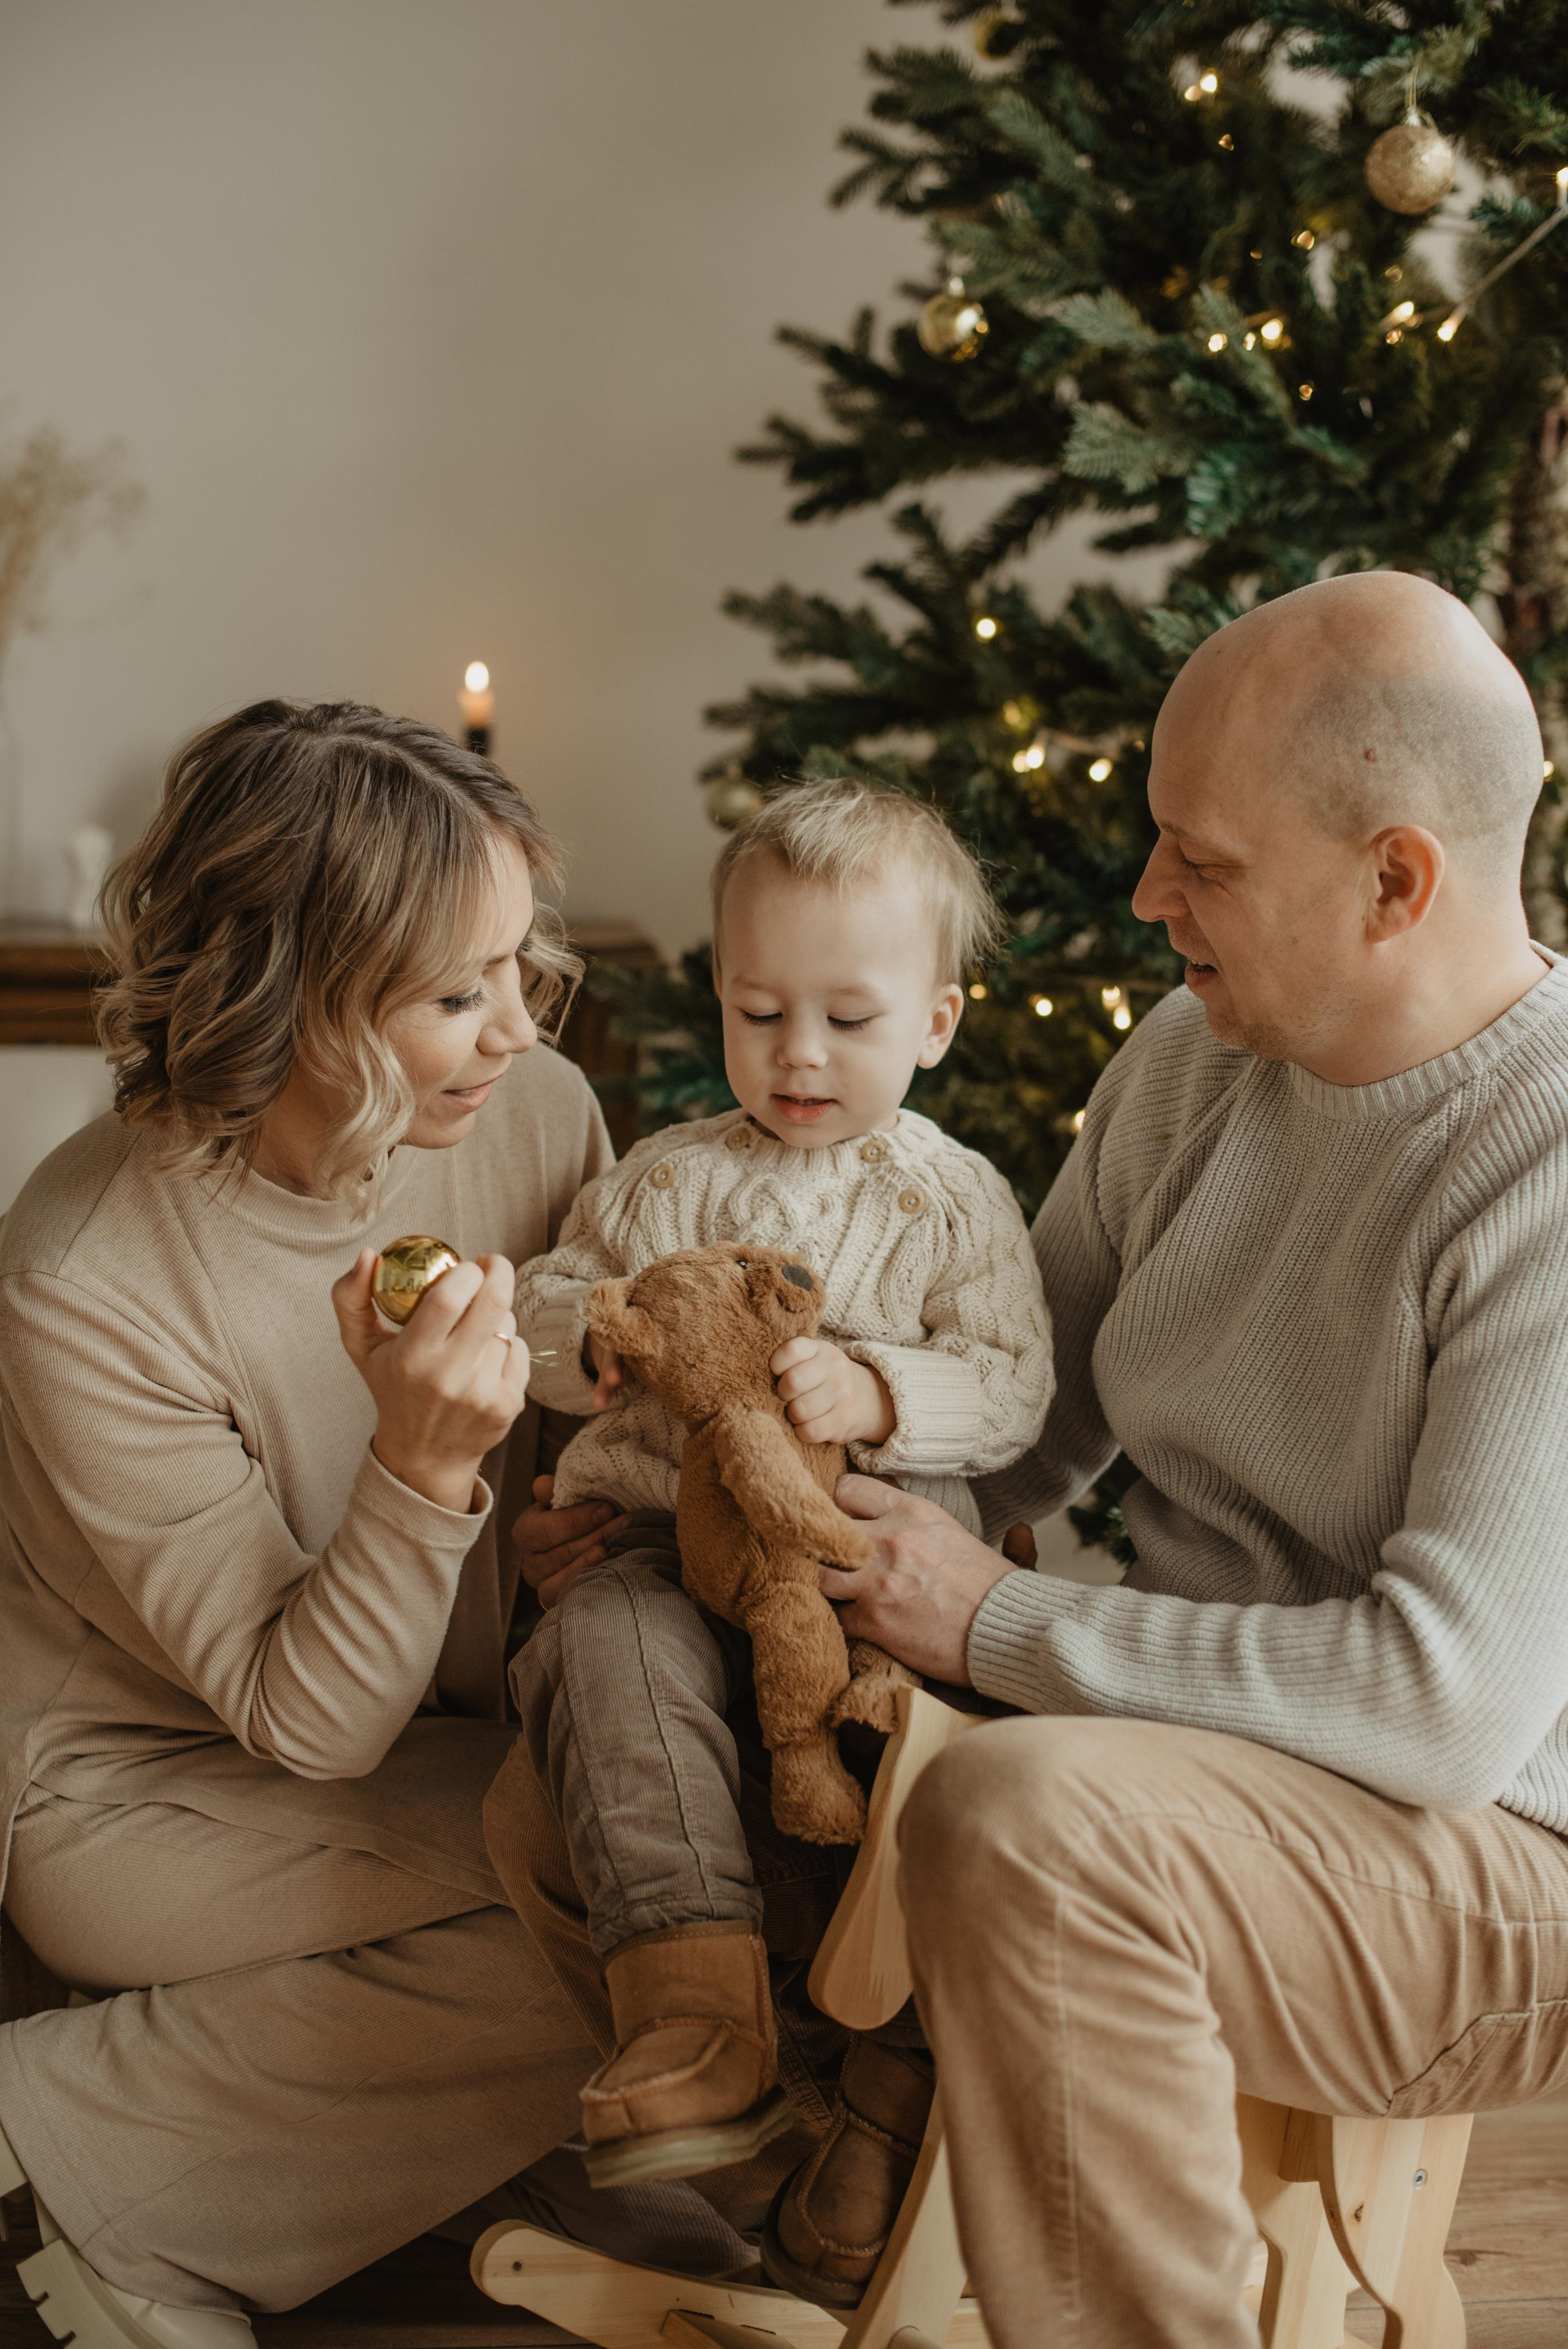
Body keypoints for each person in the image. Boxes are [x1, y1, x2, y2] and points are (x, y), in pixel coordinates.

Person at [510, 569, 1568, 2347]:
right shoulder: (1190, 1060)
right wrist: (695, 1527)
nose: (1150, 899)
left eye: (1201, 861)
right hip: (1192, 1757)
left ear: (1397, 879)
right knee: (589, 1751)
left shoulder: (1541, 1159)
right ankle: (834, 2218)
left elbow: (1441, 1702)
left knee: (1026, 1815)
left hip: (1486, 1846)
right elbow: (1022, 1414)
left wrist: (997, 1626)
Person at [0, 702, 751, 2347]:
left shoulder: (536, 1117)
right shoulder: (84, 1278)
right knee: (596, 1878)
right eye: (454, 995)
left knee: (689, 1848)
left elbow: (588, 1450)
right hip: (149, 1796)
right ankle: (71, 2155)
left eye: (520, 971)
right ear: (296, 1007)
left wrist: (579, 1522)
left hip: (460, 1729)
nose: (515, 1034)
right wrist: (417, 1473)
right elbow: (305, 1723)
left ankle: (382, 2152)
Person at [499, 784, 1051, 2292]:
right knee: (599, 1649)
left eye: (846, 1019)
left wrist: (880, 1386)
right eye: (759, 1011)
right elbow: (556, 1294)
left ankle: (889, 2079)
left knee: (910, 1751)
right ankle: (696, 2007)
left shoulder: (954, 1199)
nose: (797, 1054)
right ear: (721, 998)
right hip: (662, 1555)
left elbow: (1014, 1380)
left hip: (853, 1566)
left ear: (934, 1022)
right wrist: (597, 1350)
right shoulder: (671, 1174)